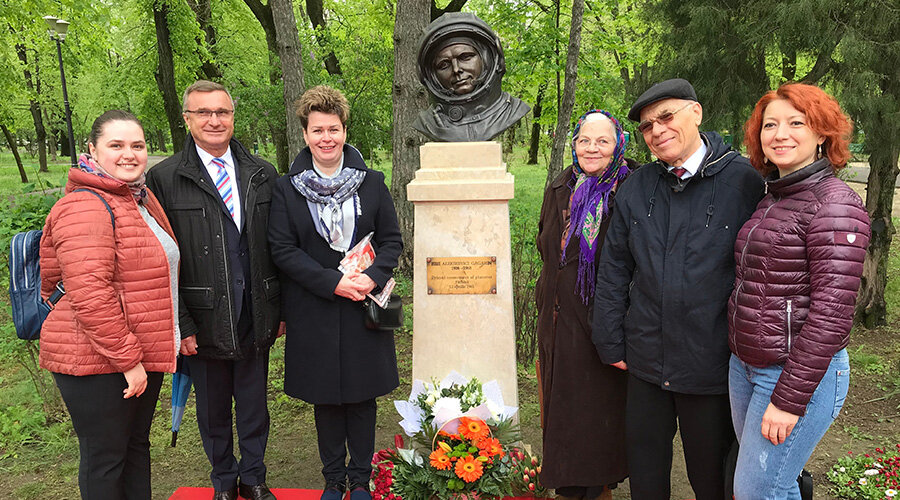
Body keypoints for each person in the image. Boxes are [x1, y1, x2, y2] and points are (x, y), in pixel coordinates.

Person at [591, 78, 765, 500]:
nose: (657, 130)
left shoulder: (744, 182)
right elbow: (614, 267)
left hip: (711, 364)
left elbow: (763, 275)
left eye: (666, 117)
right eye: (647, 126)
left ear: (696, 112)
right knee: (646, 475)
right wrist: (610, 341)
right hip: (645, 360)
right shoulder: (638, 185)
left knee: (712, 477)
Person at [728, 83, 870, 499]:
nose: (780, 134)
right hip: (747, 367)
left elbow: (832, 314)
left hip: (794, 375)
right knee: (775, 486)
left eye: (796, 122)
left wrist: (788, 400)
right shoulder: (774, 196)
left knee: (756, 492)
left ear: (822, 133)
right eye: (769, 125)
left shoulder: (835, 204)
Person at [146, 80, 281, 500]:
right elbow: (161, 258)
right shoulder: (165, 177)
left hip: (255, 312)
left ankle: (254, 478)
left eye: (222, 112)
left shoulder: (263, 173)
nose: (214, 120)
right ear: (187, 119)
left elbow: (277, 246)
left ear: (232, 117)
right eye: (203, 113)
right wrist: (180, 322)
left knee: (255, 407)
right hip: (201, 318)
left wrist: (281, 311)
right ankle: (224, 481)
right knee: (214, 411)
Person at [268, 85, 402, 500]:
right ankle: (332, 479)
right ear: (305, 135)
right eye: (317, 130)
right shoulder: (286, 188)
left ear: (345, 130)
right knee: (325, 399)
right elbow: (282, 249)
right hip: (315, 307)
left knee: (362, 397)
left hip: (363, 306)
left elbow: (394, 241)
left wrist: (373, 276)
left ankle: (360, 479)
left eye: (334, 129)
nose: (327, 138)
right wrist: (332, 282)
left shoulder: (372, 183)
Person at [39, 110, 179, 499]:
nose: (128, 154)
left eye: (137, 145)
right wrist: (130, 361)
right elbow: (90, 295)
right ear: (92, 150)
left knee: (134, 448)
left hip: (134, 354)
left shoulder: (139, 198)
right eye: (115, 145)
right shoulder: (85, 205)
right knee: (106, 459)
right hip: (98, 360)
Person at [535, 110, 631, 500]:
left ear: (618, 145)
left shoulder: (628, 188)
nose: (592, 148)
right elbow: (547, 246)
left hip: (599, 318)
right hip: (556, 316)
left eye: (602, 141)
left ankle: (597, 487)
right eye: (584, 140)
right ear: (574, 144)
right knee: (561, 407)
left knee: (596, 410)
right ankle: (569, 486)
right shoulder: (561, 186)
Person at [412, 12, 530, 142]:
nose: (456, 69)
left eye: (465, 57)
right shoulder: (428, 123)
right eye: (444, 65)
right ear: (430, 76)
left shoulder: (511, 111)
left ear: (487, 59)